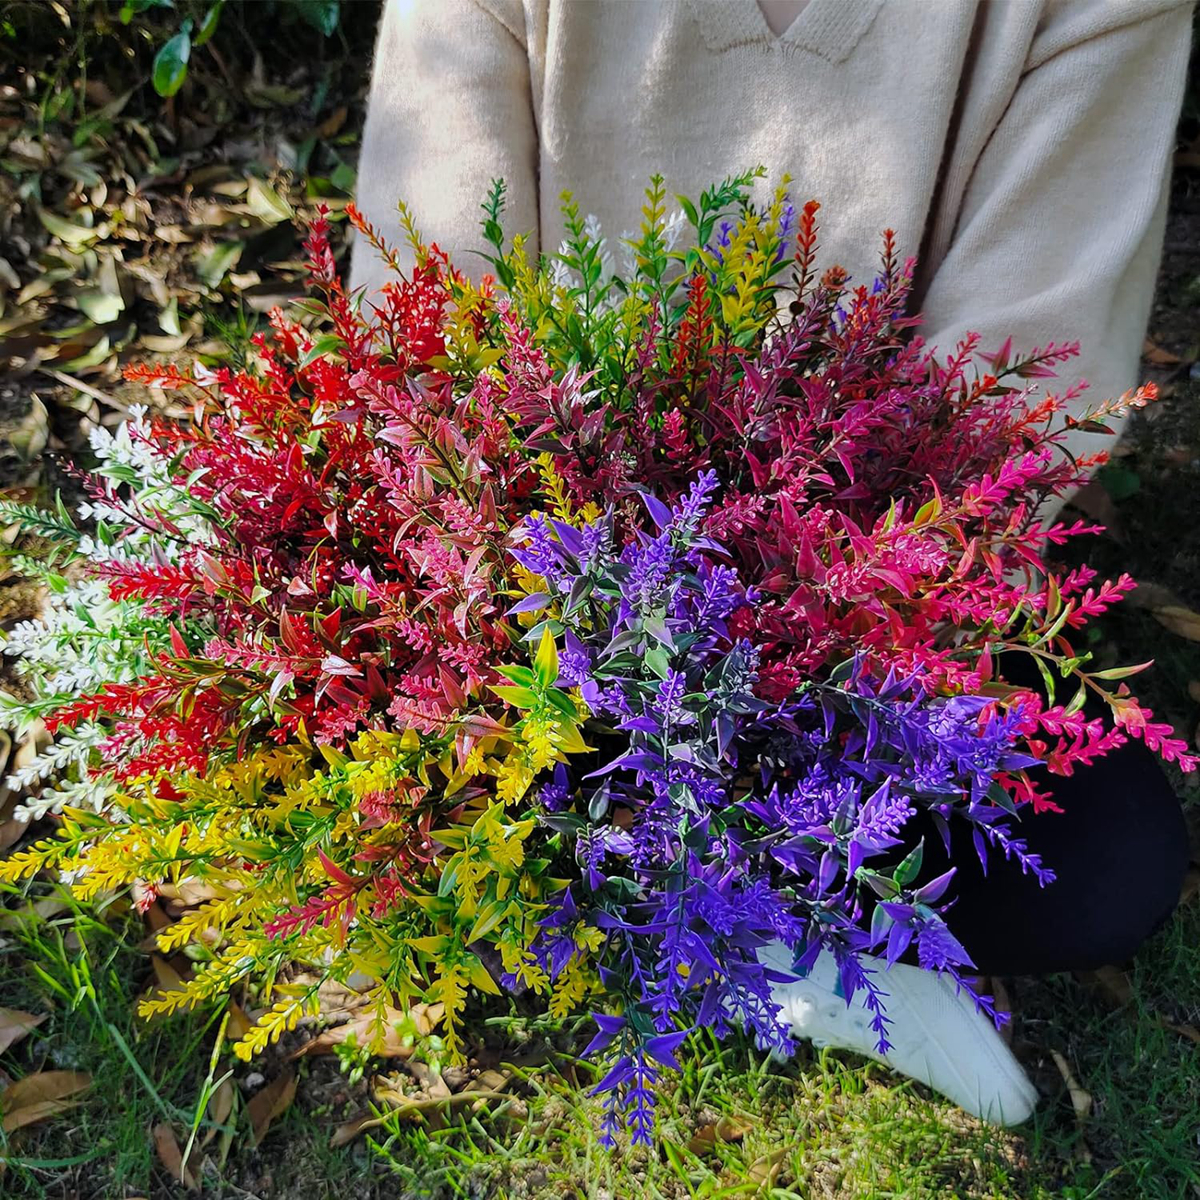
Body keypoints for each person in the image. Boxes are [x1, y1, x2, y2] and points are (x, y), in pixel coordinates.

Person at [351, 0, 1196, 1124]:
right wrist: (568, 573)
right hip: (542, 565)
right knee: (387, 724)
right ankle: (753, 919)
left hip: (866, 604)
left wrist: (770, 638)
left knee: (1103, 863)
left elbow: (1019, 381)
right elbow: (432, 290)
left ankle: (664, 899)